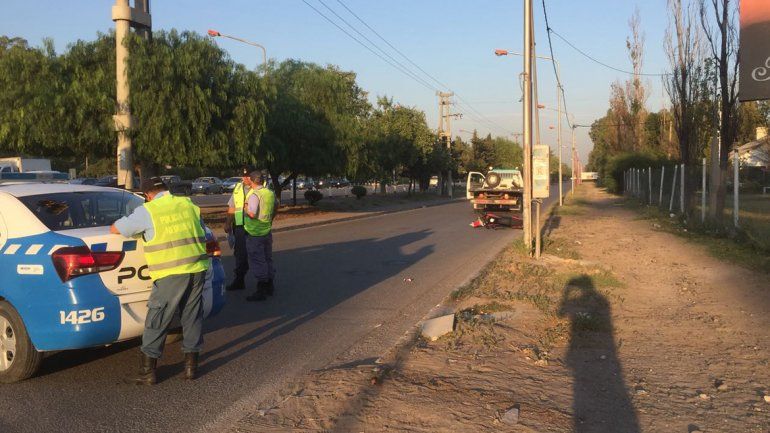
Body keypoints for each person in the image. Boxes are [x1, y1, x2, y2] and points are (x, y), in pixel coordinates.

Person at [110, 177, 210, 384]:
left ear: (147, 195)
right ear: (166, 189)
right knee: (192, 317)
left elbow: (116, 229)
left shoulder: (149, 211)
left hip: (170, 274)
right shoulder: (188, 204)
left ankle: (148, 372)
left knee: (157, 320)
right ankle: (191, 368)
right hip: (197, 269)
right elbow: (201, 230)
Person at [244, 170, 276, 302]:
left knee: (258, 260)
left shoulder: (254, 195)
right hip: (266, 230)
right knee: (268, 258)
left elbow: (252, 214)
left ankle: (261, 288)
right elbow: (275, 208)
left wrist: (245, 207)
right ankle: (270, 285)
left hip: (255, 232)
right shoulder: (269, 193)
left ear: (251, 181)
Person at [225, 167, 251, 291]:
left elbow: (273, 205)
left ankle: (266, 283)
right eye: (243, 176)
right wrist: (228, 223)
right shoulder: (238, 188)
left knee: (260, 256)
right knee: (240, 255)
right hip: (240, 227)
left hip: (256, 228)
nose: (245, 178)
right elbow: (232, 207)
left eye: (248, 176)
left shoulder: (261, 187)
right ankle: (239, 280)